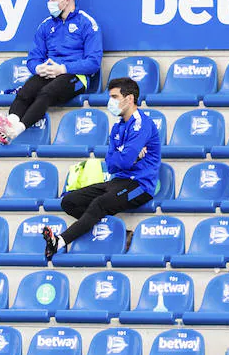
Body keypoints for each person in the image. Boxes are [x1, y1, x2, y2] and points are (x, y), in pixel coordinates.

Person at [43, 77, 160, 261]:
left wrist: (125, 157)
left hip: (140, 186)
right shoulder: (117, 127)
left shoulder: (141, 124)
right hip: (117, 181)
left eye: (114, 97)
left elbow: (124, 161)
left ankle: (59, 241)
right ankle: (117, 231)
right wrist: (128, 155)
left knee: (99, 204)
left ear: (129, 99)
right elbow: (112, 164)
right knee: (70, 201)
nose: (110, 102)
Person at [0, 0, 103, 145]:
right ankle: (10, 124)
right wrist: (38, 68)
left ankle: (17, 130)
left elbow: (93, 62)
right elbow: (33, 57)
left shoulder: (87, 23)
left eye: (53, 0)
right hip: (50, 73)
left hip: (76, 76)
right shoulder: (46, 25)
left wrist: (63, 68)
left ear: (67, 0)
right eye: (49, 0)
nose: (49, 4)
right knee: (26, 90)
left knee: (47, 92)